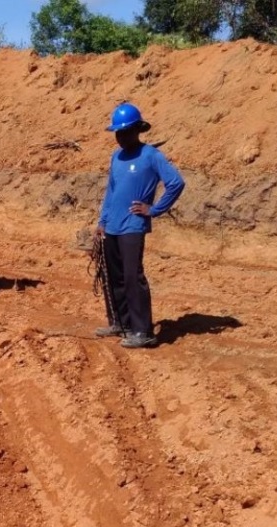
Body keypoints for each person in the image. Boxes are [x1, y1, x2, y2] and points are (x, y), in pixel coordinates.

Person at [95, 103, 186, 348]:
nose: (120, 136)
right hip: (111, 225)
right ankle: (120, 323)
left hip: (133, 226)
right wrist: (102, 221)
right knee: (112, 276)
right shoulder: (116, 157)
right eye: (117, 132)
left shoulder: (150, 155)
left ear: (137, 129)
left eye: (125, 131)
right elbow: (111, 191)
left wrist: (153, 210)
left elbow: (176, 183)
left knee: (132, 277)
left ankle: (143, 331)